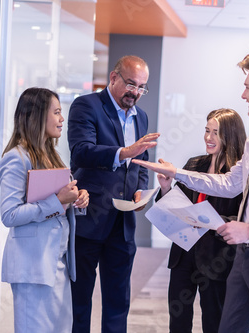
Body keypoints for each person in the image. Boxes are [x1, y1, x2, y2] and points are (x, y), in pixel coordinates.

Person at [132, 53, 249, 333]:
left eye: (247, 87)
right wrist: (177, 173)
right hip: (246, 256)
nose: (243, 94)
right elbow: (229, 183)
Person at [67, 55, 160, 333]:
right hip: (89, 218)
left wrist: (141, 187)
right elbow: (81, 151)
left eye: (142, 87)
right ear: (113, 77)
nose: (136, 92)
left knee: (118, 302)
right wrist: (123, 153)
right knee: (79, 300)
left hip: (123, 224)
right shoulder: (87, 106)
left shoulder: (140, 116)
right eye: (131, 84)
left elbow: (140, 161)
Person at [0, 87, 89, 332]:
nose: (62, 119)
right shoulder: (17, 158)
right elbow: (10, 215)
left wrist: (77, 200)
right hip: (33, 267)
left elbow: (59, 206)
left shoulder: (53, 156)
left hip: (57, 264)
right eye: (57, 112)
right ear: (37, 115)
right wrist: (57, 200)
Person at [156, 108, 246, 333]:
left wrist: (211, 221)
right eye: (207, 130)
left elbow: (243, 217)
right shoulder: (194, 165)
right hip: (184, 252)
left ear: (230, 135)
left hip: (216, 256)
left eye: (216, 132)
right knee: (178, 319)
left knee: (214, 321)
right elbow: (177, 204)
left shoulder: (239, 174)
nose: (208, 137)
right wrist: (166, 188)